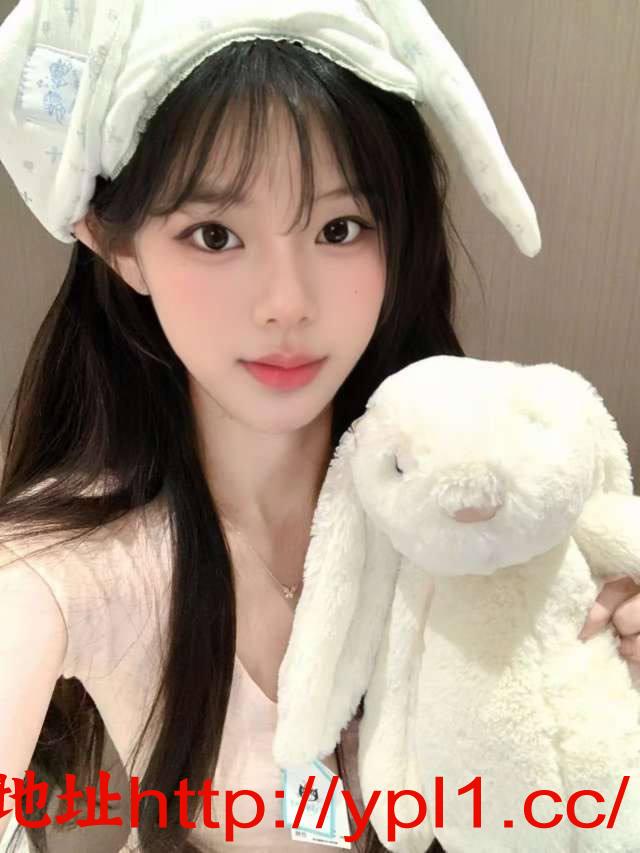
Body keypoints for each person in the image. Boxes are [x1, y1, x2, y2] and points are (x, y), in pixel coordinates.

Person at [2, 3, 637, 853]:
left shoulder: (475, 498)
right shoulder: (73, 561)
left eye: (339, 228)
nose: (288, 303)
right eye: (215, 235)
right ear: (115, 245)